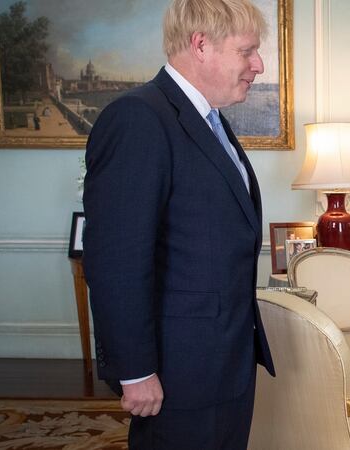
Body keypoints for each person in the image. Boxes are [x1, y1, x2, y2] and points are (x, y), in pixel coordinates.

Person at [82, 1, 274, 448]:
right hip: (179, 372)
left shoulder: (209, 120)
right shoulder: (138, 118)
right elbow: (117, 261)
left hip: (224, 363)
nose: (258, 65)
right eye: (247, 51)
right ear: (201, 44)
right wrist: (136, 370)